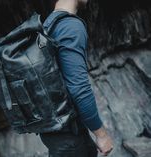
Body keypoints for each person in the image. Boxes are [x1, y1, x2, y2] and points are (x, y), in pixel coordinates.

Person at [39, 0, 113, 156]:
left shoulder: (46, 26)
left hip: (53, 132)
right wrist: (101, 134)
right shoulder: (69, 26)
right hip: (70, 135)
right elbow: (79, 88)